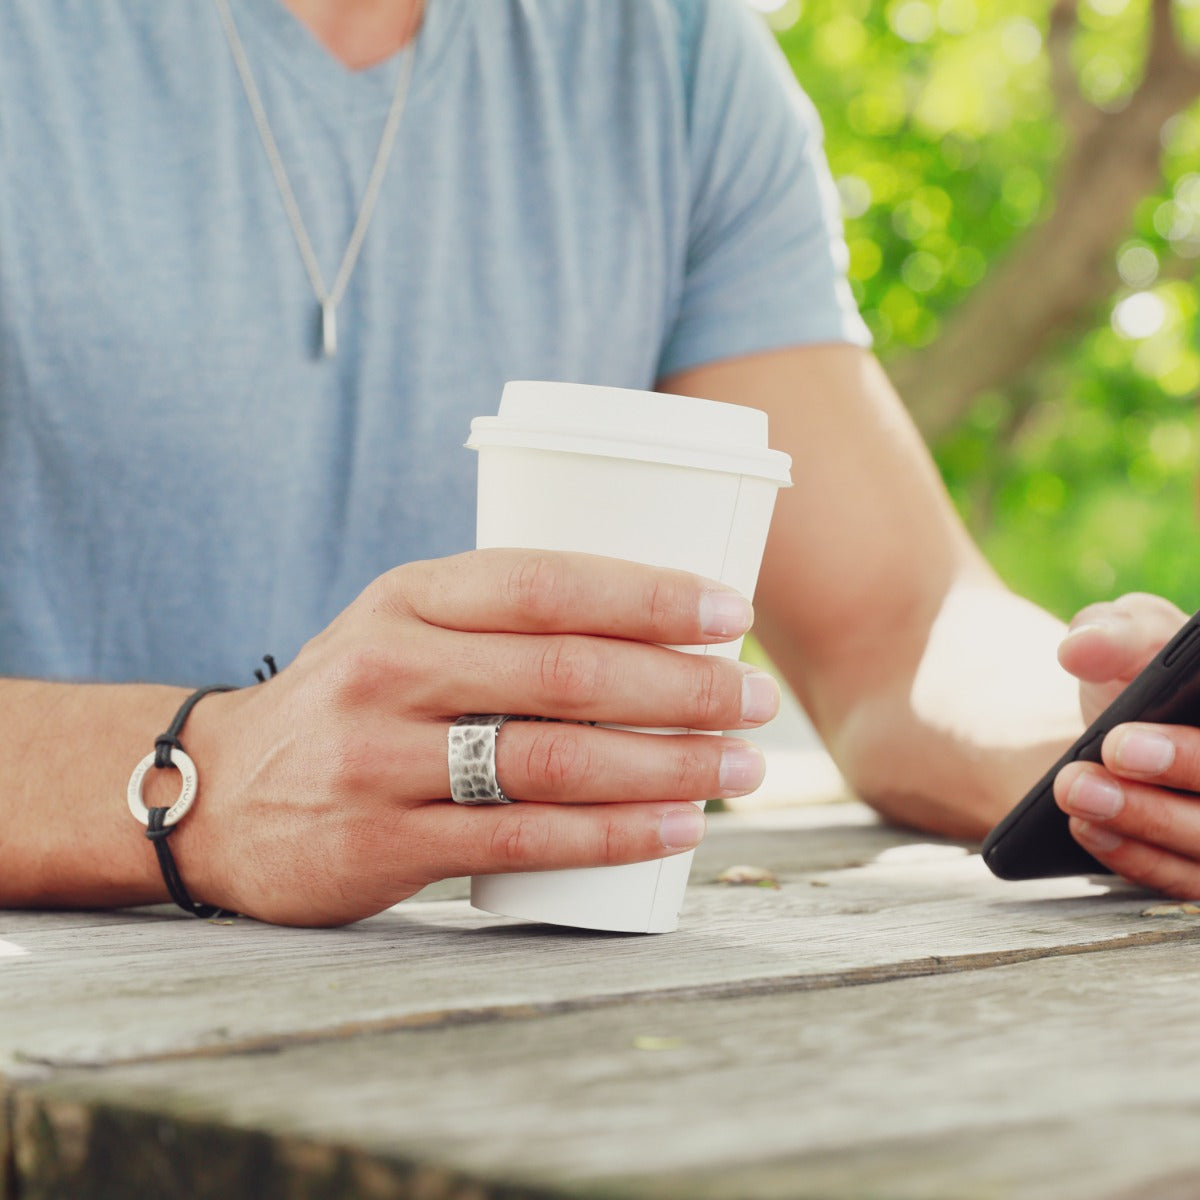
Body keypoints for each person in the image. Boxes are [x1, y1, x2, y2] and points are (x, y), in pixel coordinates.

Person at [0, 0, 1195, 927]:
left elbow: (901, 633)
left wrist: (1123, 743)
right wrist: (205, 779)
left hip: (502, 1051)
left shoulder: (668, 58)